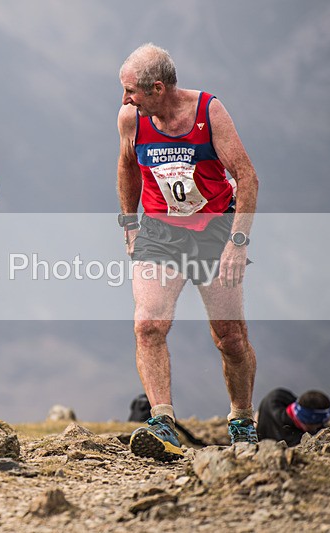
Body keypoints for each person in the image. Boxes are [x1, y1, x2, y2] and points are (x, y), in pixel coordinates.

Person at [116, 43, 260, 461]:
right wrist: (129, 223)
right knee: (148, 325)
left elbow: (247, 177)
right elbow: (126, 165)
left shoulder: (209, 113)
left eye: (131, 92)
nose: (125, 100)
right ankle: (162, 422)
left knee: (229, 337)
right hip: (160, 231)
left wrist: (238, 242)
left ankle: (242, 420)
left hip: (215, 229)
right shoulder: (132, 119)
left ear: (157, 88)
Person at [257, 388, 330, 446]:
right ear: (310, 422)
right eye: (320, 423)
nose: (322, 426)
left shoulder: (277, 397)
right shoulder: (297, 441)